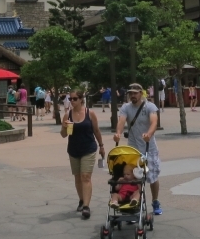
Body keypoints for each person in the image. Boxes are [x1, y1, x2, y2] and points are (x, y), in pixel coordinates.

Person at [114, 83, 163, 215]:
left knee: (152, 176)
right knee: (133, 178)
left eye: (135, 93)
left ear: (141, 93)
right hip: (133, 148)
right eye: (131, 93)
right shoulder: (126, 107)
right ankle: (133, 203)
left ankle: (155, 201)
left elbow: (154, 121)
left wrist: (149, 134)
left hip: (149, 147)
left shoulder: (149, 106)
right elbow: (121, 121)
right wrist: (118, 133)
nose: (133, 95)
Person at [60, 90, 105, 220]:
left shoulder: (89, 113)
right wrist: (64, 127)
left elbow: (96, 130)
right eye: (70, 99)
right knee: (78, 177)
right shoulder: (67, 115)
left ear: (81, 99)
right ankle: (81, 199)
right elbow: (64, 135)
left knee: (85, 176)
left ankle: (86, 206)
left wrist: (101, 146)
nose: (72, 101)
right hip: (73, 149)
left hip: (88, 148)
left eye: (74, 99)